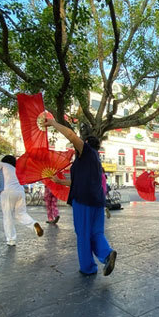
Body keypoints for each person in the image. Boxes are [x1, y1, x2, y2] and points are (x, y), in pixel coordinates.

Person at [44, 118, 117, 276]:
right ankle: (106, 254)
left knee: (83, 234)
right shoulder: (95, 160)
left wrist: (53, 123)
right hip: (97, 201)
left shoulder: (87, 153)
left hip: (84, 201)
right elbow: (78, 181)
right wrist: (60, 181)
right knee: (96, 233)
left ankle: (88, 268)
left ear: (85, 143)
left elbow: (70, 135)